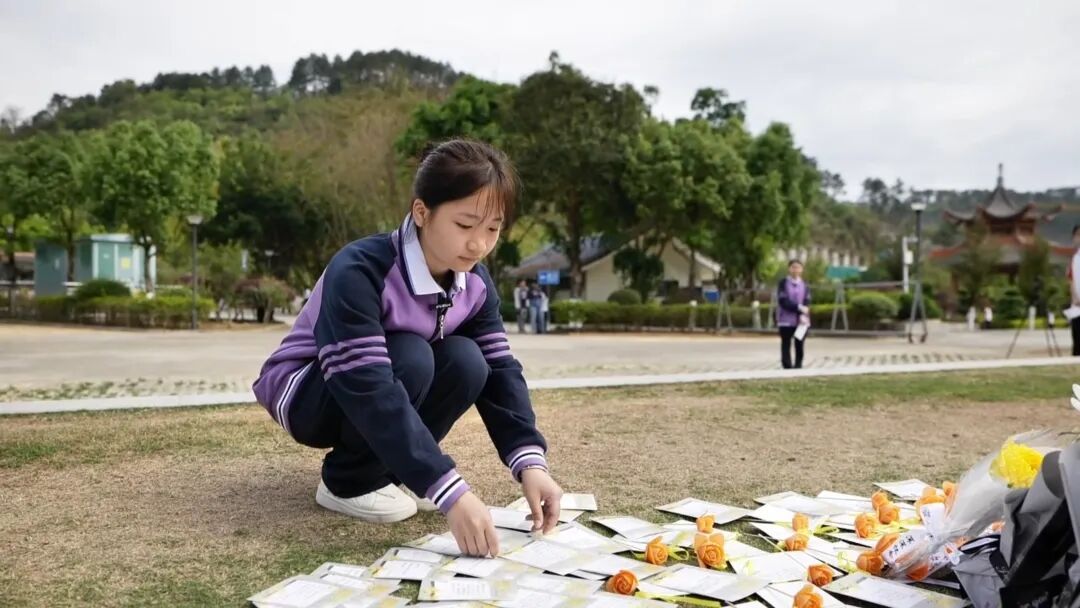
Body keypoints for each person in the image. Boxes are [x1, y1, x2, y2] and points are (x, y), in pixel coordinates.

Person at [252, 139, 562, 558]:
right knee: (412, 356)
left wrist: (530, 463)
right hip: (310, 392)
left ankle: (396, 471)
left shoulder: (475, 283)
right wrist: (449, 490)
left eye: (492, 229)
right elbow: (367, 384)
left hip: (383, 379)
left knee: (469, 362)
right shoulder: (361, 268)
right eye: (465, 225)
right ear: (421, 212)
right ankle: (348, 482)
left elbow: (501, 372)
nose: (479, 244)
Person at [776, 259, 811, 369]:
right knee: (786, 343)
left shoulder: (804, 284)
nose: (795, 270)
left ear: (802, 269)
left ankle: (798, 365)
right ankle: (787, 365)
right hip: (786, 319)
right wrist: (798, 307)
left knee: (799, 343)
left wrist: (804, 310)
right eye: (793, 267)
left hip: (801, 320)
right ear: (789, 269)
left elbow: (807, 299)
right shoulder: (783, 283)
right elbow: (782, 300)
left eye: (798, 267)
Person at [1069, 225, 1080, 355]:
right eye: (1077, 235)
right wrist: (1075, 297)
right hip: (1076, 307)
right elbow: (1071, 280)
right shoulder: (1074, 258)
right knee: (1077, 339)